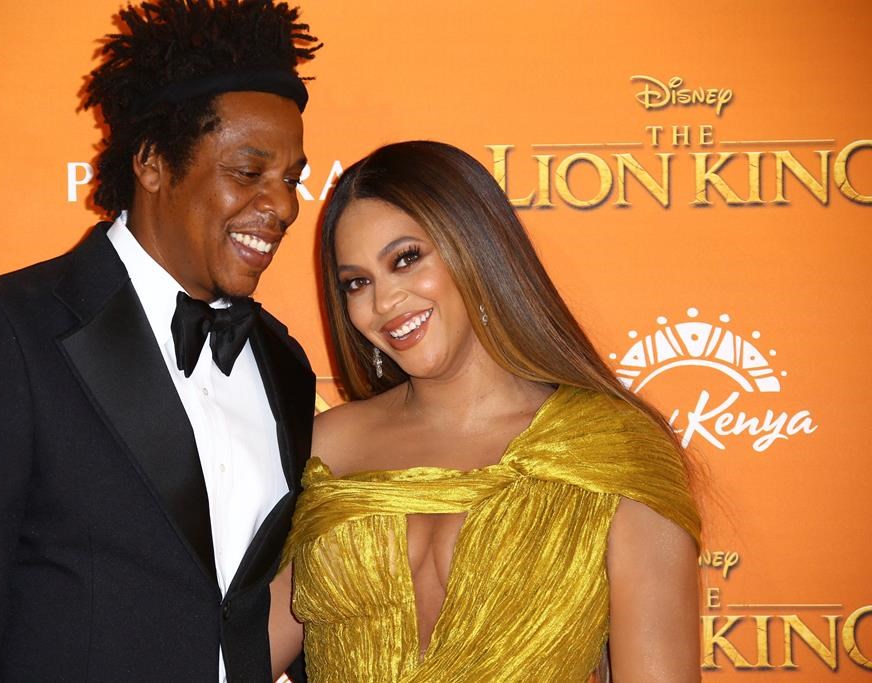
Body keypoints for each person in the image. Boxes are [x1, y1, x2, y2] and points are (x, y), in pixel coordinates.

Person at [0, 1, 318, 680]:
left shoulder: (283, 363)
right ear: (152, 163)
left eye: (291, 180)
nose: (286, 205)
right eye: (249, 172)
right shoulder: (3, 333)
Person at [269, 141, 701, 682]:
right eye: (358, 283)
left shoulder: (612, 450)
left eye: (406, 259)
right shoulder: (325, 447)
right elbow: (236, 655)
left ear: (476, 248)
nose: (382, 304)